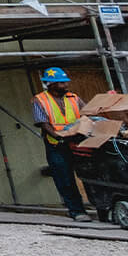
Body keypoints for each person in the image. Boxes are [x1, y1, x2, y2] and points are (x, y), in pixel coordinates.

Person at [32, 66, 90, 221]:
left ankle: (99, 208)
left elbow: (87, 113)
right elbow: (43, 123)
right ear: (51, 84)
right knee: (64, 178)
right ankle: (77, 211)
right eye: (61, 83)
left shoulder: (74, 98)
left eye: (65, 82)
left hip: (78, 142)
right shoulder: (40, 100)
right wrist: (58, 136)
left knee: (89, 174)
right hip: (57, 145)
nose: (66, 85)